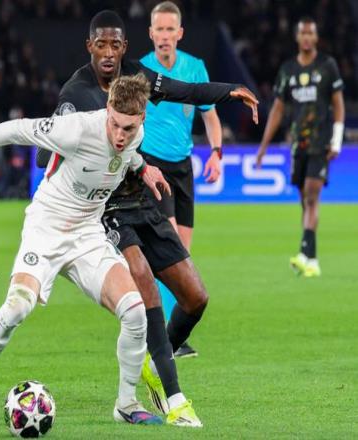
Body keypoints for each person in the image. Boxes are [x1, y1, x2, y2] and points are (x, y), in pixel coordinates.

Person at [36, 10, 258, 426]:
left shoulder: (137, 77)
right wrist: (63, 146)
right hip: (106, 209)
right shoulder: (75, 93)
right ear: (90, 46)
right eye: (100, 44)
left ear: (124, 47)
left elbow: (185, 91)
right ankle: (174, 399)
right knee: (144, 286)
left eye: (114, 45)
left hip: (142, 200)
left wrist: (230, 92)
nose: (108, 53)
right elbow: (43, 153)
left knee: (196, 297)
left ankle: (156, 362)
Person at [0, 74, 171, 427]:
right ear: (108, 109)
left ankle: (126, 404)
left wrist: (144, 168)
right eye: (115, 125)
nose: (121, 136)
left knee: (135, 311)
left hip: (87, 234)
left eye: (129, 128)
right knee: (18, 306)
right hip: (46, 227)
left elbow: (129, 154)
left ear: (141, 120)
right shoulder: (75, 129)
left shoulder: (134, 135)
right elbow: (17, 129)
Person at [139, 1, 224, 358]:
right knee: (170, 247)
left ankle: (171, 335)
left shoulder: (195, 68)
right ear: (151, 33)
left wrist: (216, 153)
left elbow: (210, 115)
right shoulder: (141, 70)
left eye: (169, 29)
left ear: (180, 33)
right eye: (158, 29)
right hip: (152, 165)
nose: (164, 35)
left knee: (181, 255)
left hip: (183, 166)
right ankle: (161, 335)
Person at [256, 17, 345, 277]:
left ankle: (304, 252)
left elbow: (338, 105)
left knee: (312, 195)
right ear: (297, 37)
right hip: (298, 145)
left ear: (316, 38)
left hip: (321, 142)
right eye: (303, 33)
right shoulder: (288, 70)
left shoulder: (327, 66)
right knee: (304, 200)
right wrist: (263, 147)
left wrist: (336, 140)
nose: (306, 37)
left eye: (310, 33)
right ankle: (312, 259)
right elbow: (278, 109)